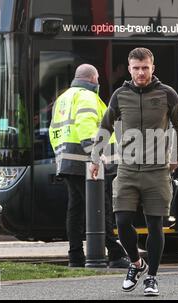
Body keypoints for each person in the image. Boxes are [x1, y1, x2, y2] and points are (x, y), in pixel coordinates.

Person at [89, 48, 178, 296]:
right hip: (127, 169)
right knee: (121, 221)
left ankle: (152, 277)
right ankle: (136, 264)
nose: (141, 72)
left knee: (155, 225)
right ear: (129, 68)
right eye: (136, 68)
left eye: (145, 67)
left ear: (152, 67)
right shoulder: (120, 95)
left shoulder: (167, 94)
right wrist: (95, 158)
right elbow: (105, 125)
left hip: (158, 170)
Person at [48, 64, 129, 269]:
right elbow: (86, 125)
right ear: (93, 78)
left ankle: (75, 256)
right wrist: (95, 155)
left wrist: (61, 157)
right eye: (98, 78)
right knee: (100, 208)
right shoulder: (87, 97)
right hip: (87, 163)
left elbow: (53, 130)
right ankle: (115, 254)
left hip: (67, 160)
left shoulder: (63, 98)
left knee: (75, 210)